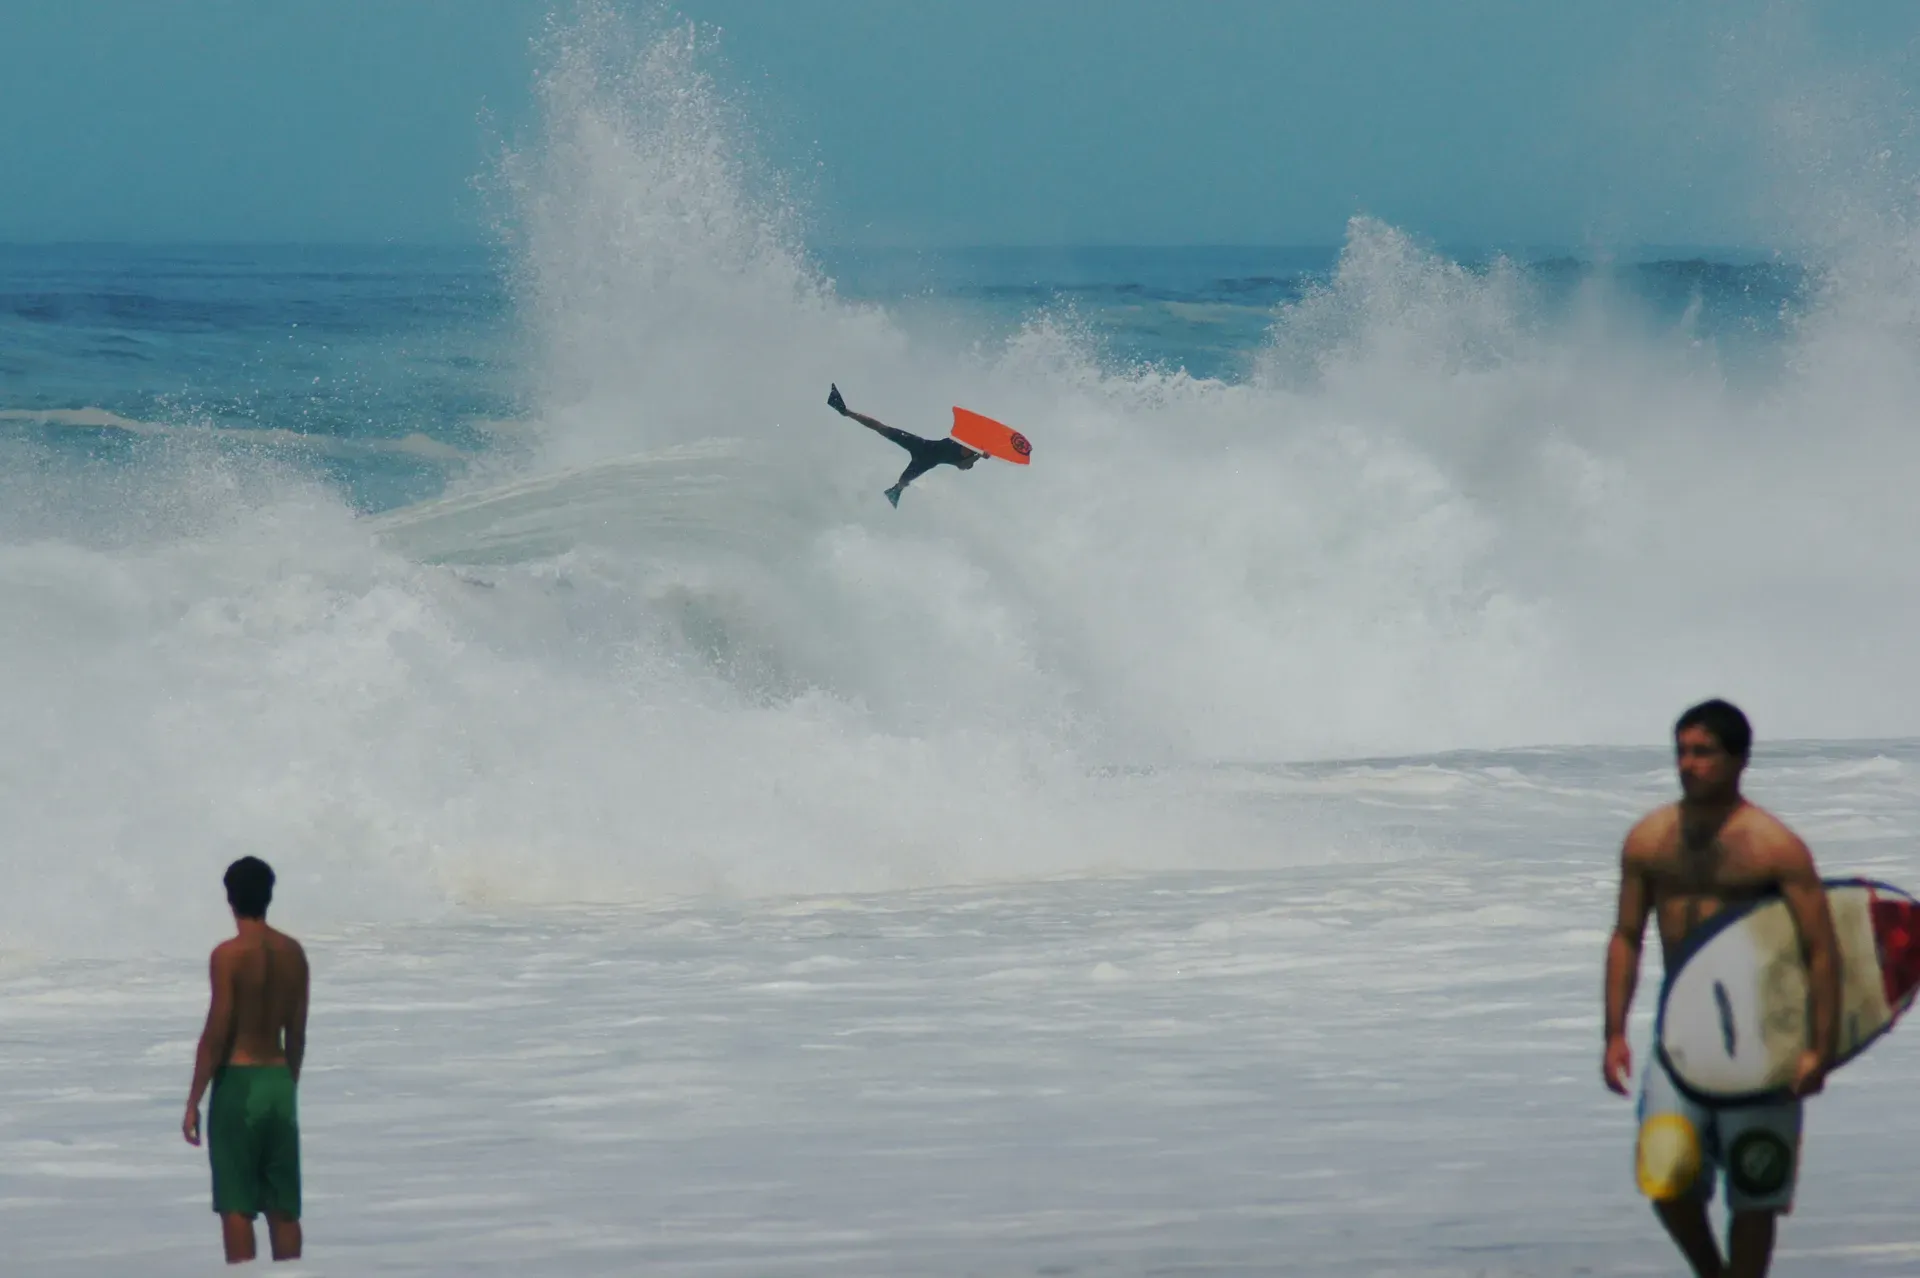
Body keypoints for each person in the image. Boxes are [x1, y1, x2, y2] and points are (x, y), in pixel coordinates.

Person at [1602, 699, 1838, 1278]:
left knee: (1756, 1185)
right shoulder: (1649, 841)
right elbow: (1627, 937)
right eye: (1681, 752)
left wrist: (1820, 1045)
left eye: (1703, 753)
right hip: (1680, 1033)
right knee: (1665, 1173)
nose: (1687, 764)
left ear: (1738, 760)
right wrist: (1614, 1034)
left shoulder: (1774, 847)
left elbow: (1822, 949)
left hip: (1765, 1036)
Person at [182, 856, 310, 1265]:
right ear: (269, 896)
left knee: (237, 1205)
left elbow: (217, 1030)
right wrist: (288, 1084)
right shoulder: (294, 953)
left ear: (229, 898)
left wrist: (194, 1099)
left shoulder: (229, 955)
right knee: (283, 1205)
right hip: (279, 1084)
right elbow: (297, 1032)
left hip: (239, 1084)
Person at [827, 383, 984, 507]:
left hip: (923, 461)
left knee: (901, 484)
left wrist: (979, 455)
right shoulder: (963, 443)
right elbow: (964, 456)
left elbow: (964, 466)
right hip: (920, 447)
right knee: (882, 428)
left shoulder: (966, 457)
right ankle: (845, 411)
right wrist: (978, 452)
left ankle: (874, 498)